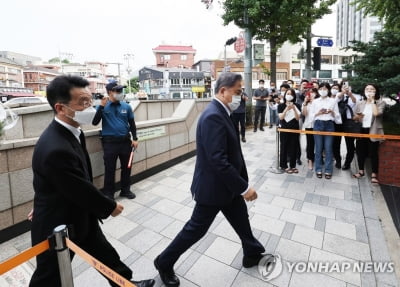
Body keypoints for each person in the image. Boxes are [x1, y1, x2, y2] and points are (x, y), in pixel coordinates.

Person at [29, 75, 154, 287]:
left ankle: (126, 284)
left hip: (80, 214)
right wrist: (110, 206)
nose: (89, 106)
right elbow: (78, 187)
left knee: (106, 255)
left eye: (90, 100)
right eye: (82, 102)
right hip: (58, 222)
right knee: (49, 276)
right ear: (60, 108)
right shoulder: (55, 146)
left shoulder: (73, 131)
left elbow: (64, 179)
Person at [154, 73, 265, 287]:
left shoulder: (222, 112)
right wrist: (243, 188)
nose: (240, 96)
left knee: (241, 219)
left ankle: (252, 252)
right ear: (223, 91)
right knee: (195, 229)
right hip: (213, 188)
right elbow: (218, 160)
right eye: (238, 92)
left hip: (227, 186)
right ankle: (164, 261)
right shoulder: (213, 115)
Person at [92, 81, 139, 200]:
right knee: (110, 169)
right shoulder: (102, 106)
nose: (120, 93)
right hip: (110, 143)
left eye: (121, 91)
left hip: (125, 142)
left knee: (127, 167)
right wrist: (101, 106)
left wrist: (135, 138)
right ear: (109, 92)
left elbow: (132, 124)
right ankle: (109, 194)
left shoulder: (126, 106)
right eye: (117, 91)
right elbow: (95, 122)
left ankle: (125, 190)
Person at [352, 83, 386, 184]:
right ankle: (361, 171)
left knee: (373, 153)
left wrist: (372, 102)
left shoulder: (380, 102)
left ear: (376, 91)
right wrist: (358, 117)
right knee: (360, 151)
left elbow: (376, 114)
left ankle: (374, 174)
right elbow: (354, 118)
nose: (369, 91)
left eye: (372, 89)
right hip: (362, 130)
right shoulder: (360, 103)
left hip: (373, 130)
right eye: (367, 89)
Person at [310, 82, 341, 179]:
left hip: (329, 125)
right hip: (318, 124)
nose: (323, 91)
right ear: (318, 90)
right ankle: (318, 169)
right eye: (321, 89)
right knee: (318, 148)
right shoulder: (315, 101)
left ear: (328, 90)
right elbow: (311, 116)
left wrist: (332, 112)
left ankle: (328, 170)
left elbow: (338, 117)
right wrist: (318, 113)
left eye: (325, 89)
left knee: (328, 148)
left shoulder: (333, 101)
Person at [335, 82, 358, 170]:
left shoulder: (357, 96)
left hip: (349, 122)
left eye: (348, 86)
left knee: (350, 144)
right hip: (338, 121)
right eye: (344, 86)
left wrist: (350, 94)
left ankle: (347, 163)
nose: (347, 88)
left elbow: (355, 102)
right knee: (336, 143)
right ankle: (338, 160)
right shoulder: (338, 94)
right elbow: (336, 100)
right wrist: (343, 93)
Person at [278, 88, 301, 173]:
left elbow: (298, 118)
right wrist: (287, 108)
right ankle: (283, 165)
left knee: (294, 147)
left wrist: (294, 108)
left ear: (294, 96)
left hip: (294, 128)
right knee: (284, 147)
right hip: (284, 128)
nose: (289, 95)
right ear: (285, 95)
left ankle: (293, 165)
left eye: (291, 94)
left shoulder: (297, 105)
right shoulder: (280, 105)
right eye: (287, 93)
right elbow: (281, 117)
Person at [302, 87, 320, 170]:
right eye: (310, 92)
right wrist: (305, 103)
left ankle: (318, 159)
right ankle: (310, 160)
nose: (311, 94)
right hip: (309, 125)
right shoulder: (306, 103)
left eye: (313, 92)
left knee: (319, 144)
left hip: (318, 125)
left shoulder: (319, 102)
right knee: (310, 143)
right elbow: (305, 114)